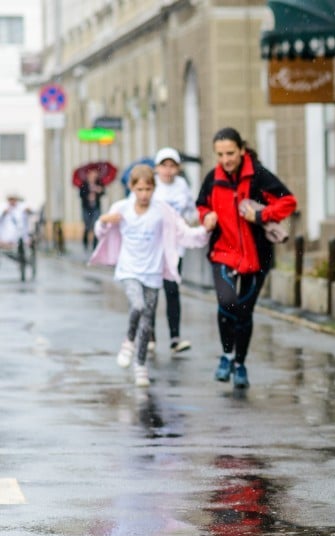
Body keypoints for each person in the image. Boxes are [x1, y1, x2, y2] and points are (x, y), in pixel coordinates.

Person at [88, 165, 214, 387]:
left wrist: (205, 230)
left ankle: (140, 365)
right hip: (129, 270)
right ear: (131, 188)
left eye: (148, 189)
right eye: (139, 189)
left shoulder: (162, 211)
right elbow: (101, 232)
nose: (144, 194)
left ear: (154, 189)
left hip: (153, 273)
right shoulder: (122, 208)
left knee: (147, 322)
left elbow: (184, 233)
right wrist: (104, 221)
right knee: (137, 306)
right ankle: (128, 341)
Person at [196, 127, 297, 389]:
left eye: (230, 153)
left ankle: (239, 364)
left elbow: (289, 202)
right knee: (226, 302)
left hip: (256, 256)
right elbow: (202, 204)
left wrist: (261, 216)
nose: (226, 159)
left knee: (244, 312)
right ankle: (226, 356)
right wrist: (206, 216)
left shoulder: (258, 177)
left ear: (241, 150)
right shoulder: (213, 178)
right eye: (220, 154)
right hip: (223, 252)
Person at [152, 147, 197, 354]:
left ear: (177, 168)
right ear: (157, 168)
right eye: (164, 165)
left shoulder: (182, 186)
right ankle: (150, 335)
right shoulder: (151, 186)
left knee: (172, 290)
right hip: (153, 247)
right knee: (151, 291)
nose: (168, 170)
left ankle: (175, 337)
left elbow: (190, 210)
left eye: (172, 166)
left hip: (175, 247)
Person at [79, 167, 105, 251]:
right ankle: (85, 243)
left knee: (95, 225)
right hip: (86, 208)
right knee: (87, 226)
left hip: (96, 207)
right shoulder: (84, 184)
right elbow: (81, 194)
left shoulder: (99, 183)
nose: (94, 176)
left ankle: (95, 245)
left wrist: (98, 190)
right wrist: (88, 194)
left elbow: (103, 192)